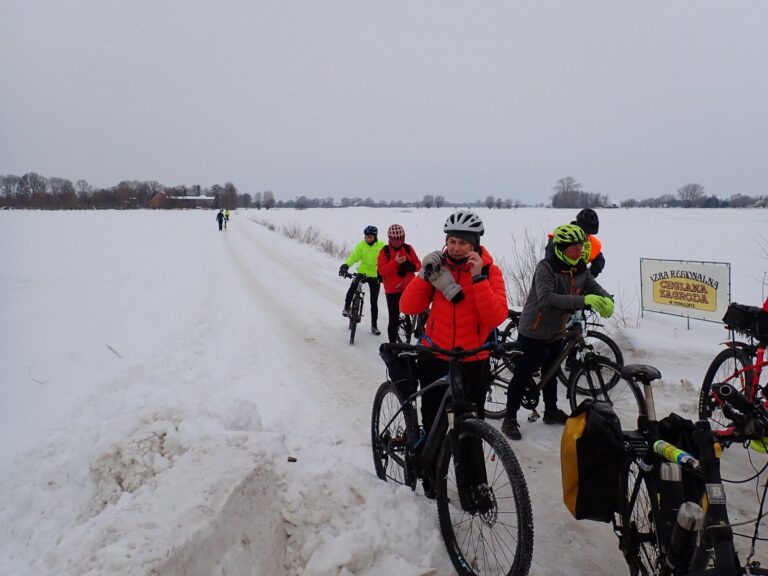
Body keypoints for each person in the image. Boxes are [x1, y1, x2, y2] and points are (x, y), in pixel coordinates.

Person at [501, 223, 614, 440]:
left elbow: (593, 286)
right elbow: (546, 298)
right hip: (534, 329)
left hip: (557, 329)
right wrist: (584, 300)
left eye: (581, 247)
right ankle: (510, 418)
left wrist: (606, 299)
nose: (579, 251)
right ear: (561, 248)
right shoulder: (546, 267)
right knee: (523, 374)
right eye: (574, 247)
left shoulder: (579, 266)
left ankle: (550, 410)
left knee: (551, 371)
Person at [400, 210, 508, 435]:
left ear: (474, 245)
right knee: (433, 422)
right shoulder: (437, 269)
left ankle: (467, 459)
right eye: (452, 241)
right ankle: (428, 458)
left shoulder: (489, 272)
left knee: (470, 429)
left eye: (463, 243)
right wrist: (424, 274)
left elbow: (495, 317)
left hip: (474, 360)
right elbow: (407, 307)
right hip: (436, 356)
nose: (456, 248)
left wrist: (478, 278)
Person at [378, 224, 422, 343]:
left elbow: (419, 265)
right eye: (394, 239)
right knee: (393, 319)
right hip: (393, 291)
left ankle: (419, 331)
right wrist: (395, 262)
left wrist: (411, 266)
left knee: (424, 309)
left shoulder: (408, 248)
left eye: (400, 239)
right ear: (390, 239)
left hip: (409, 287)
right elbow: (381, 270)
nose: (397, 242)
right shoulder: (385, 251)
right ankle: (392, 345)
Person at [339, 225, 386, 335]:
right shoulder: (362, 245)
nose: (367, 239)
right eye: (366, 237)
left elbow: (386, 259)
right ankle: (346, 308)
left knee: (374, 301)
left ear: (375, 237)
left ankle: (374, 326)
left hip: (375, 275)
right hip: (362, 273)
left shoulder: (381, 246)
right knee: (353, 287)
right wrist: (346, 265)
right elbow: (354, 256)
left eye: (370, 237)